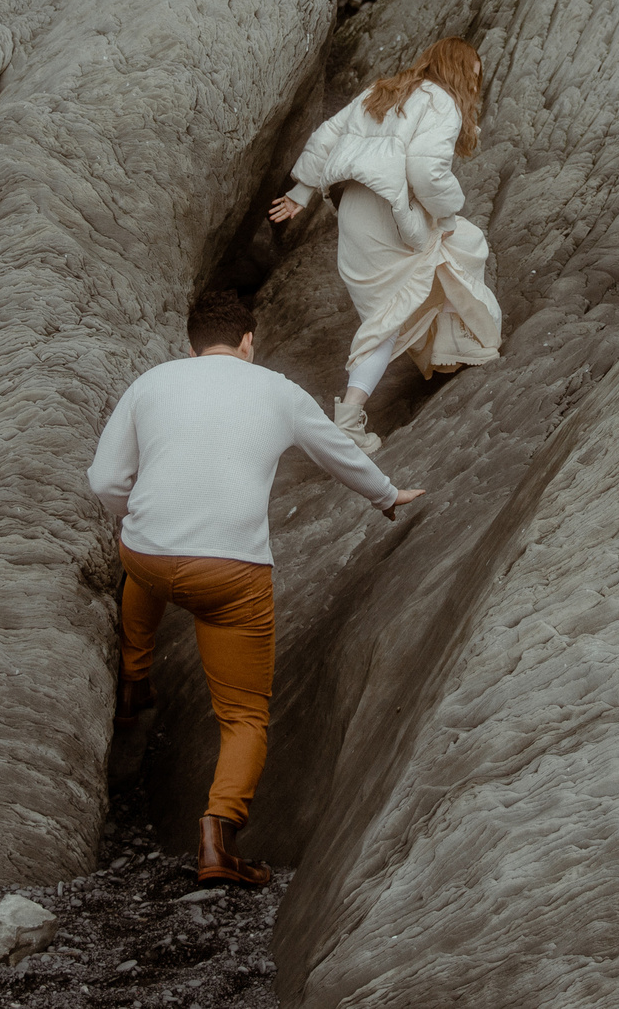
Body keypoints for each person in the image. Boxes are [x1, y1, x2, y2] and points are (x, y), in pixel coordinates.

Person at [88, 288, 425, 886]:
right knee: (244, 715)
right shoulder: (277, 390)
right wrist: (385, 495)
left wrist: (133, 516)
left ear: (190, 347)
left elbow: (106, 478)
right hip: (231, 575)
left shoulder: (154, 382)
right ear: (248, 342)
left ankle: (136, 678)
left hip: (148, 559)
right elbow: (337, 452)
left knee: (145, 557)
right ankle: (218, 840)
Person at [266, 35, 504, 450]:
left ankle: (443, 354)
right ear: (458, 71)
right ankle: (351, 420)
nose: (473, 86)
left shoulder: (383, 90)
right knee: (459, 248)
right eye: (473, 77)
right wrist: (447, 211)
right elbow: (426, 170)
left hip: (355, 212)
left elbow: (329, 134)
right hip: (392, 211)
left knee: (396, 304)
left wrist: (301, 192)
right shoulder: (441, 102)